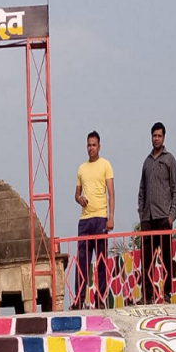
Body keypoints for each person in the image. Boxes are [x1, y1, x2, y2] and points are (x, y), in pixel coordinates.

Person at [137, 121, 176, 304]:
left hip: (164, 218)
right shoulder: (147, 162)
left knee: (165, 259)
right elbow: (142, 190)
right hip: (148, 218)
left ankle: (167, 294)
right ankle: (147, 295)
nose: (156, 139)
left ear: (164, 137)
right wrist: (141, 213)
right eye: (154, 136)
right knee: (146, 259)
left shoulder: (169, 159)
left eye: (159, 136)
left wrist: (172, 216)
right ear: (151, 137)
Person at [73, 130, 115, 309]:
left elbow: (111, 194)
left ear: (99, 146)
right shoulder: (81, 168)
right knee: (82, 261)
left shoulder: (106, 165)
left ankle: (100, 297)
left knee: (101, 261)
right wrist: (79, 198)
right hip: (85, 219)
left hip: (100, 218)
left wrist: (110, 217)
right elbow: (76, 193)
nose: (91, 148)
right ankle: (79, 299)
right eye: (89, 145)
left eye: (94, 145)